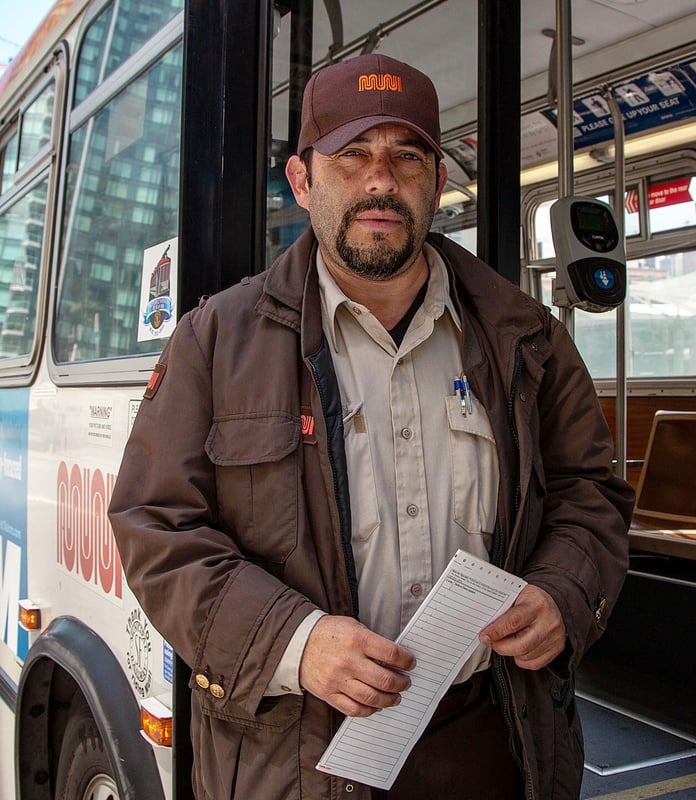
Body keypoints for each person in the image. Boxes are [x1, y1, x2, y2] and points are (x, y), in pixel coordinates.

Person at [109, 52, 634, 800]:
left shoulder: (528, 340)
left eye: (406, 157)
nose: (380, 181)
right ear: (302, 181)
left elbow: (589, 494)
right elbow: (157, 525)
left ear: (437, 182)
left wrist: (562, 594)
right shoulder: (215, 342)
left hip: (495, 739)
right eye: (351, 155)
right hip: (298, 757)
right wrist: (295, 642)